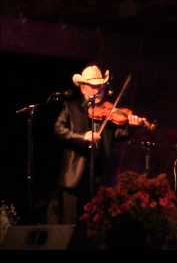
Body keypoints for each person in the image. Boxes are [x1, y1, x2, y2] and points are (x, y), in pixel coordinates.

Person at [51, 64, 144, 225]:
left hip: (100, 178)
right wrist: (82, 137)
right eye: (93, 87)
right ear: (83, 88)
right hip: (74, 177)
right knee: (70, 226)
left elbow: (119, 135)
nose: (98, 90)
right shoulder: (70, 107)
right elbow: (59, 129)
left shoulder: (109, 111)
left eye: (100, 86)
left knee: (98, 227)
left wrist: (132, 127)